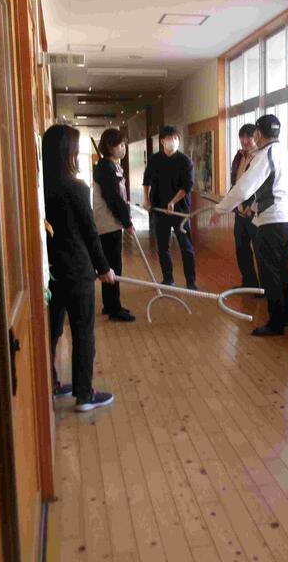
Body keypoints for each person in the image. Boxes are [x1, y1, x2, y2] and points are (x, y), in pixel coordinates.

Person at [211, 115, 288, 337]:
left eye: (254, 134)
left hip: (271, 223)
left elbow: (243, 188)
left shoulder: (265, 155)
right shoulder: (286, 154)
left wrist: (219, 210)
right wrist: (256, 206)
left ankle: (276, 324)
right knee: (282, 269)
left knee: (270, 273)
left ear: (259, 134)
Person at [43, 124, 116, 411]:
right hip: (77, 270)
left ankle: (50, 384)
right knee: (83, 332)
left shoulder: (40, 187)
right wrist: (104, 268)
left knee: (52, 331)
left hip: (50, 271)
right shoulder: (76, 187)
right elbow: (90, 233)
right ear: (69, 152)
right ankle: (84, 395)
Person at [142, 125, 197, 290]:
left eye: (175, 138)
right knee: (162, 246)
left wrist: (173, 201)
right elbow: (146, 180)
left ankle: (191, 282)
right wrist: (146, 199)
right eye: (169, 138)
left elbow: (187, 186)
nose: (173, 141)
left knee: (186, 247)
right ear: (162, 141)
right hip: (159, 210)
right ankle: (168, 279)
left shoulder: (185, 161)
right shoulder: (154, 160)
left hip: (180, 211)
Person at [92, 128, 136, 322]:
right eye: (119, 144)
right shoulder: (105, 168)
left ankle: (110, 304)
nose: (123, 147)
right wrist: (127, 222)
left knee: (112, 266)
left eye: (123, 143)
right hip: (107, 224)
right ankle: (113, 308)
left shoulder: (113, 166)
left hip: (112, 224)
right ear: (110, 146)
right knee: (113, 267)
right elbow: (113, 198)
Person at [229, 123, 260, 290]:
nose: (245, 140)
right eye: (242, 137)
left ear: (257, 137)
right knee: (241, 250)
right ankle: (249, 283)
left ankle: (264, 289)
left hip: (255, 214)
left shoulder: (261, 157)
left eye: (249, 137)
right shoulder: (239, 156)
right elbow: (235, 182)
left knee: (260, 252)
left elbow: (260, 187)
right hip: (239, 212)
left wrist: (253, 207)